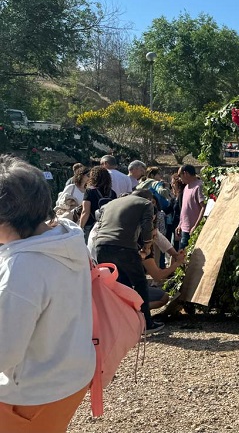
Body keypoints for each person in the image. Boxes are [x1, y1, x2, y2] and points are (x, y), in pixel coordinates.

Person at [0, 155, 95, 433]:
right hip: (70, 375)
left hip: (29, 394)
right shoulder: (68, 236)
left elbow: (4, 354)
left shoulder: (21, 270)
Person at [94, 189, 159, 333]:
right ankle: (146, 324)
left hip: (100, 246)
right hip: (123, 247)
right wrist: (147, 245)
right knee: (140, 284)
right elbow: (147, 226)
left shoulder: (112, 203)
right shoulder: (146, 203)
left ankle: (122, 323)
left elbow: (99, 218)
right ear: (148, 198)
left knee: (119, 285)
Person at [79, 166, 117, 235]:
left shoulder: (90, 191)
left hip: (91, 225)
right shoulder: (113, 193)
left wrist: (80, 227)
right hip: (107, 226)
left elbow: (85, 212)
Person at [175, 164, 206, 248]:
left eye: (180, 175)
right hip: (184, 229)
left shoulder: (199, 186)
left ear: (185, 173)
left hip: (192, 229)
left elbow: (204, 207)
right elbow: (184, 208)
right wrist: (180, 224)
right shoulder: (186, 187)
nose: (180, 179)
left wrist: (196, 226)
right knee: (181, 256)